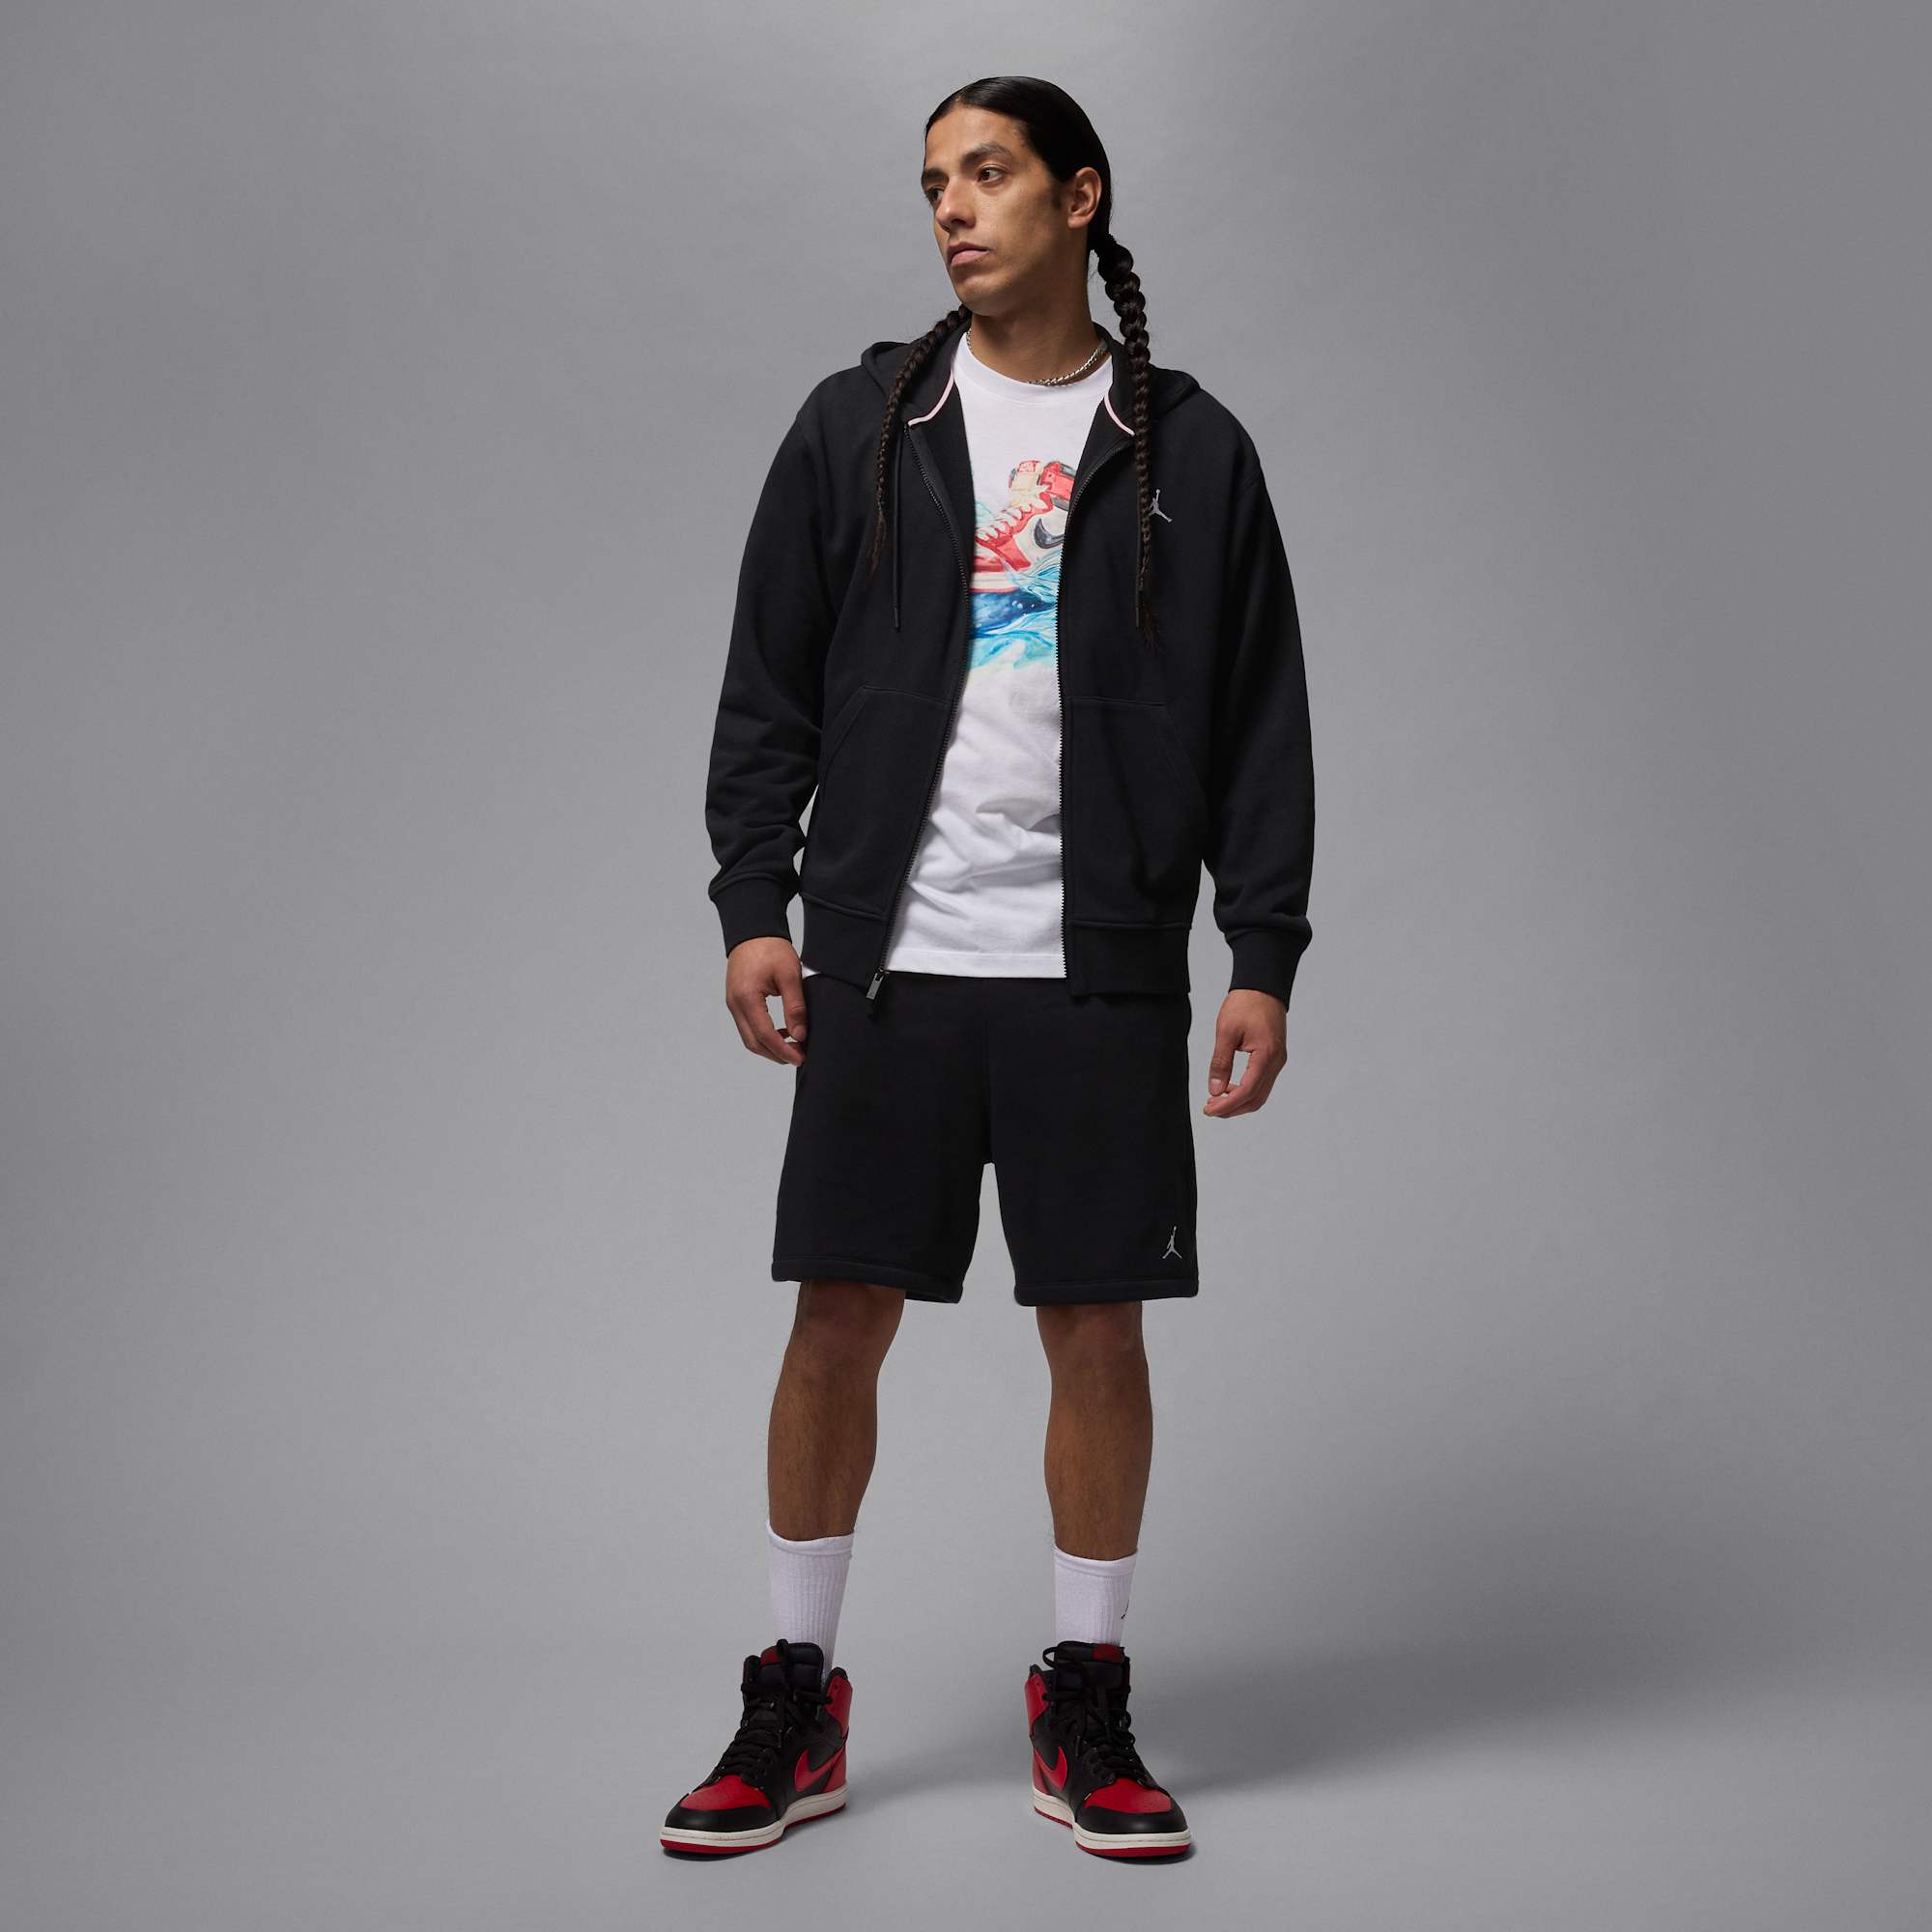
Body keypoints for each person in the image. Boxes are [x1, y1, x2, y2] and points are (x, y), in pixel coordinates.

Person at [663, 74, 1314, 1862]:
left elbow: (1261, 719)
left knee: (1095, 1328)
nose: (953, 207)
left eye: (991, 173)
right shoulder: (861, 424)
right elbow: (766, 687)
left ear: (1079, 197)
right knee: (835, 1321)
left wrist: (1261, 949)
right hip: (889, 960)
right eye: (934, 182)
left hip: (1099, 965)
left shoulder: (1189, 449)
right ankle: (795, 1697)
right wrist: (756, 903)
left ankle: (1085, 1697)